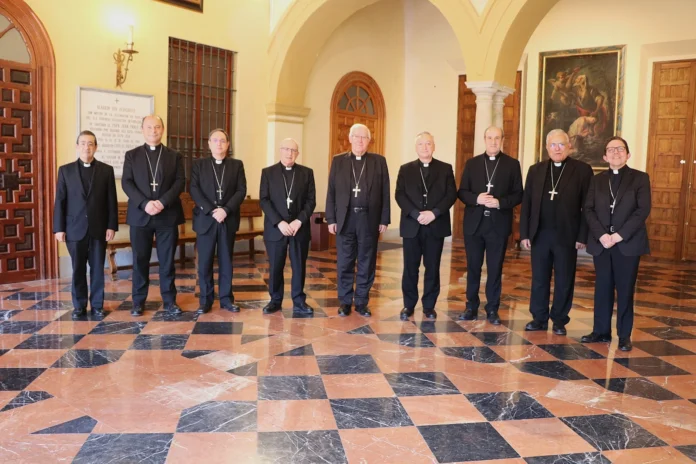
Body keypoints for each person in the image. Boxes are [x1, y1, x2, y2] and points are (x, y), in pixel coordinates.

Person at [520, 129, 593, 335]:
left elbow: (588, 206)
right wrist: (525, 233)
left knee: (564, 279)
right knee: (539, 279)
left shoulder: (582, 170)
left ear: (569, 146)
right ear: (547, 147)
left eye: (561, 144)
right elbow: (527, 204)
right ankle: (539, 318)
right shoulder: (536, 170)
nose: (557, 149)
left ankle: (560, 320)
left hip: (567, 235)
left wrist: (582, 236)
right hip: (540, 234)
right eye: (553, 145)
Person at [581, 136, 651, 351]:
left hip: (627, 244)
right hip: (602, 243)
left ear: (628, 154)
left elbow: (642, 210)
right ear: (605, 157)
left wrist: (619, 235)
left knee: (625, 290)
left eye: (620, 149)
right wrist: (602, 235)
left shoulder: (640, 178)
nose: (615, 153)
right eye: (611, 149)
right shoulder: (597, 180)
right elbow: (588, 209)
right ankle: (601, 331)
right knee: (602, 288)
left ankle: (624, 335)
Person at [457, 126, 523, 325]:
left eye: (497, 138)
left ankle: (492, 308)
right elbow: (462, 192)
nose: (493, 142)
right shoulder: (472, 163)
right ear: (484, 139)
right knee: (473, 267)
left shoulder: (512, 164)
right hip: (475, 225)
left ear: (502, 140)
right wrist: (476, 199)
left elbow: (518, 194)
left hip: (498, 225)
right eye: (489, 138)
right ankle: (471, 306)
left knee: (495, 268)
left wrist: (500, 202)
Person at [122, 115, 185, 317]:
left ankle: (170, 301)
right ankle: (138, 302)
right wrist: (145, 203)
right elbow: (127, 183)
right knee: (140, 260)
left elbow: (180, 182)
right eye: (149, 127)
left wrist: (162, 202)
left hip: (167, 215)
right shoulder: (132, 155)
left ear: (162, 129)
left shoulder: (174, 156)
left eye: (157, 127)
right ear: (142, 129)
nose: (153, 131)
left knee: (167, 261)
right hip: (141, 215)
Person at [326, 123, 390, 317]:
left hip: (369, 219)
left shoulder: (379, 161)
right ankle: (345, 301)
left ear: (369, 141)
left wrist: (384, 219)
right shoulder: (338, 161)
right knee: (345, 262)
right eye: (357, 136)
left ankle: (361, 302)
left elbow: (385, 192)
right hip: (345, 219)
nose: (360, 140)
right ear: (350, 138)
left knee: (366, 261)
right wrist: (331, 219)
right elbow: (331, 191)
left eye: (364, 137)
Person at [53, 131, 118, 318]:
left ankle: (97, 305)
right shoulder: (65, 170)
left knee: (97, 269)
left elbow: (111, 201)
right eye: (83, 143)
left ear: (96, 147)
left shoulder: (106, 170)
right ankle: (79, 306)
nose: (86, 147)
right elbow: (60, 201)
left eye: (90, 143)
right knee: (78, 270)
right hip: (74, 229)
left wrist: (111, 226)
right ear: (77, 146)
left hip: (99, 228)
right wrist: (59, 228)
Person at [395, 132, 456, 321]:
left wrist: (434, 213)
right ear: (416, 147)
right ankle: (408, 305)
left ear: (434, 146)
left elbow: (451, 195)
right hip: (412, 226)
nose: (424, 147)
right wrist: (416, 214)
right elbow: (399, 195)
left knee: (433, 267)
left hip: (435, 225)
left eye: (428, 143)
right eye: (421, 144)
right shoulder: (406, 169)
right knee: (410, 268)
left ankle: (429, 306)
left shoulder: (445, 168)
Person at [190, 129, 246, 314]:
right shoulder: (199, 165)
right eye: (215, 140)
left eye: (222, 141)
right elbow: (194, 189)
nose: (219, 144)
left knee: (226, 261)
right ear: (209, 143)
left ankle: (226, 299)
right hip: (206, 219)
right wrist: (211, 210)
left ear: (228, 144)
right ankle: (205, 300)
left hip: (227, 219)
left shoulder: (236, 165)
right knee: (205, 262)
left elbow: (241, 190)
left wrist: (226, 210)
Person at [259, 138, 316, 315]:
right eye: (286, 149)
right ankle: (275, 300)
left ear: (297, 153)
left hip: (299, 228)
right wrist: (279, 222)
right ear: (280, 150)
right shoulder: (268, 173)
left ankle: (299, 301)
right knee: (276, 266)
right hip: (276, 228)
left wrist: (299, 221)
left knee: (299, 266)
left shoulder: (306, 173)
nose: (289, 153)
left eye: (293, 150)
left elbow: (311, 201)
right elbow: (264, 200)